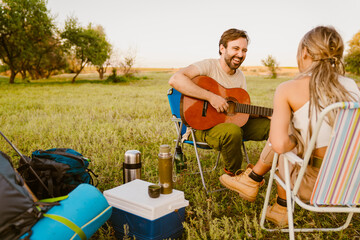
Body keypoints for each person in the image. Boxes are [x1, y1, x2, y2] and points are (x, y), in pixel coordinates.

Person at [233, 26, 360, 227]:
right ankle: (253, 182)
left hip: (313, 186)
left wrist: (296, 138)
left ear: (305, 53)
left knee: (282, 138)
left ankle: (257, 183)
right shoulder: (353, 87)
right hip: (352, 183)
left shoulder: (288, 88)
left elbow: (280, 145)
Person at [168, 28, 270, 185]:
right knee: (232, 132)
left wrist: (268, 114)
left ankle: (274, 171)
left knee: (273, 125)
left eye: (244, 50)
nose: (241, 54)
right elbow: (175, 79)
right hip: (201, 127)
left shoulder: (240, 76)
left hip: (229, 124)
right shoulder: (208, 66)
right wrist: (211, 97)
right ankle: (233, 177)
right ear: (222, 48)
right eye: (235, 48)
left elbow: (240, 111)